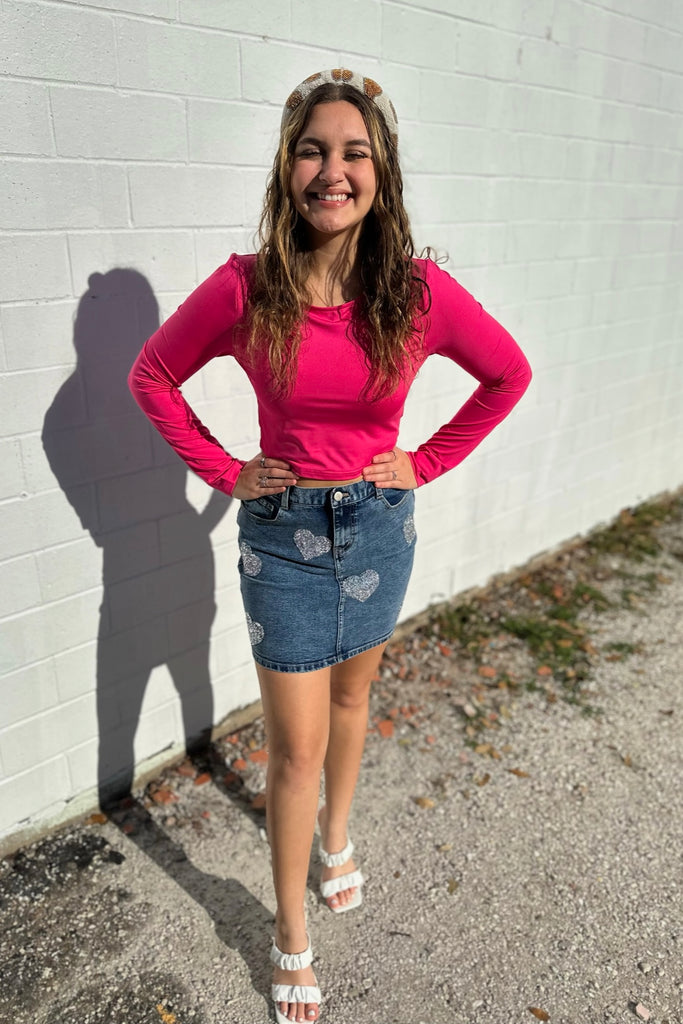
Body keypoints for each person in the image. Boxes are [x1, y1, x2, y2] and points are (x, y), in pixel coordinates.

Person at [129, 68, 532, 1024]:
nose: (332, 171)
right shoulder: (247, 287)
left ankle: (335, 838)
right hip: (283, 543)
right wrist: (224, 471)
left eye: (354, 152)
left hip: (379, 528)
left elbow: (507, 375)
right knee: (294, 749)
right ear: (287, 166)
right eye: (313, 150)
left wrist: (422, 463)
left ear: (380, 173)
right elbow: (152, 375)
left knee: (353, 699)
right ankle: (288, 934)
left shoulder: (417, 293)